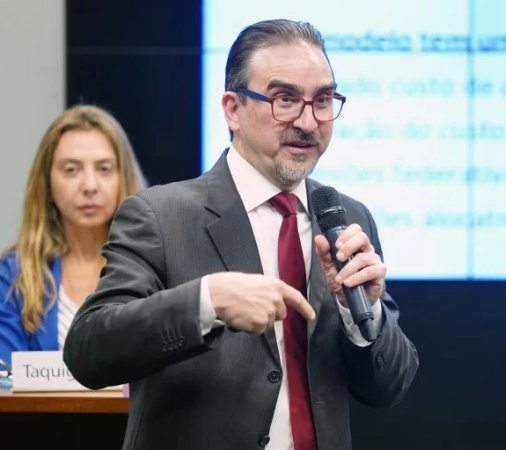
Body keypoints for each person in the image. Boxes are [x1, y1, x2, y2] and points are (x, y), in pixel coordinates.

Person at [63, 19, 418, 450]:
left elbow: (389, 386)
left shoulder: (347, 217)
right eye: (285, 100)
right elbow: (88, 350)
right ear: (233, 109)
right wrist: (207, 301)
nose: (308, 122)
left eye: (323, 100)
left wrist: (364, 314)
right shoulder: (160, 216)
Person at [0, 104, 146, 369]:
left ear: (123, 176)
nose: (89, 186)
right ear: (47, 182)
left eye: (104, 169)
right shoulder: (14, 276)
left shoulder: (155, 266)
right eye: (71, 170)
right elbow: (7, 377)